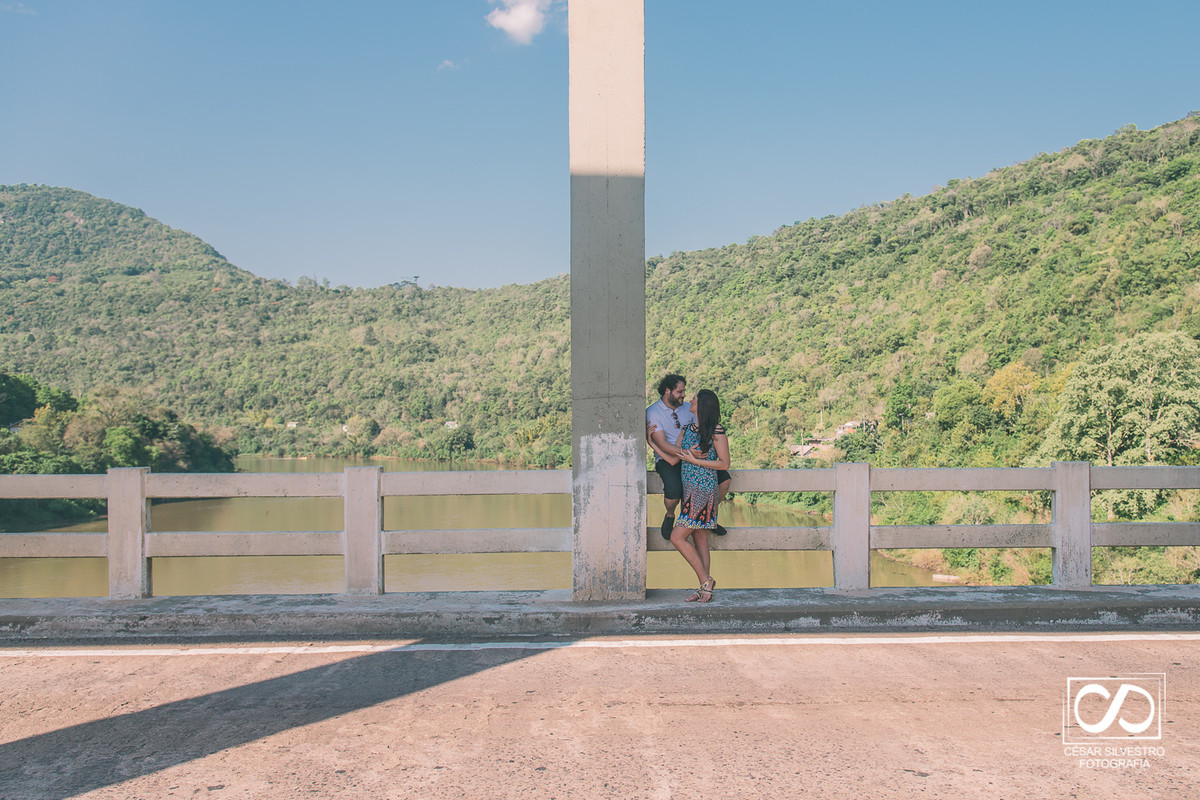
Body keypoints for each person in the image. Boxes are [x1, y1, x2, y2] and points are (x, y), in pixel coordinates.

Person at [646, 374, 731, 540]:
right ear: (667, 391)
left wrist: (700, 451)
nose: (684, 395)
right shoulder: (652, 412)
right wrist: (687, 453)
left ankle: (707, 514)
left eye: (684, 391)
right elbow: (662, 443)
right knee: (674, 491)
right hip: (668, 458)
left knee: (725, 480)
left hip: (695, 455)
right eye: (680, 391)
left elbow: (702, 427)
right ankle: (670, 515)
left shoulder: (688, 408)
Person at [665, 389, 729, 603]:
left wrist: (697, 461)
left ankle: (706, 580)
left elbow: (725, 463)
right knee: (699, 539)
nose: (690, 400)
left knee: (677, 537)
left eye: (694, 398)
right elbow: (677, 451)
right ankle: (704, 590)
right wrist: (688, 453)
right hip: (689, 490)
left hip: (704, 490)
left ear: (702, 405)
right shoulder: (687, 428)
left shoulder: (716, 430)